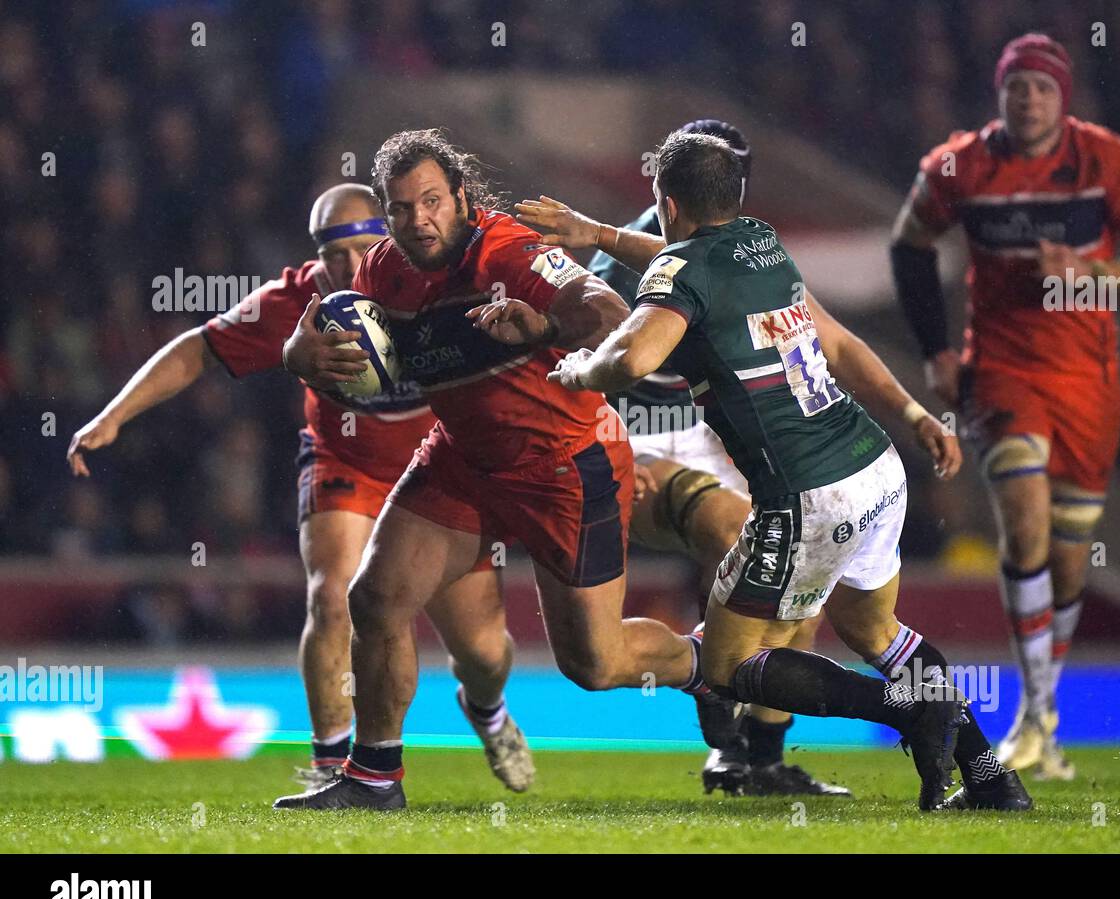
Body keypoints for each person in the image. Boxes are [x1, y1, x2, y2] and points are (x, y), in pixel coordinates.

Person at [549, 130, 1030, 811]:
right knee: (878, 633)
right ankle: (990, 777)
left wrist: (577, 369)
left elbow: (631, 358)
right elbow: (795, 319)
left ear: (666, 199)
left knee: (727, 662)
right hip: (873, 467)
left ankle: (906, 712)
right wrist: (914, 413)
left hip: (807, 492)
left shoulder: (677, 273)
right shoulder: (761, 245)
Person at [273, 130, 713, 811]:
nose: (417, 220)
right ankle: (374, 777)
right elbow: (333, 357)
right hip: (464, 460)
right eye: (399, 209)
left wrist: (543, 329)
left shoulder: (511, 250)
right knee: (373, 597)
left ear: (463, 197)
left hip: (562, 463)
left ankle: (704, 663)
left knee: (594, 665)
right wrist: (299, 357)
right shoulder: (381, 274)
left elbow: (610, 315)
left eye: (431, 202)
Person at [67, 184, 534, 793]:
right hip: (346, 463)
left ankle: (487, 709)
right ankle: (331, 763)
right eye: (327, 250)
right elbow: (197, 350)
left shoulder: (438, 283)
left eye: (358, 246)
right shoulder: (299, 300)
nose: (343, 266)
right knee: (332, 592)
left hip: (438, 475)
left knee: (482, 652)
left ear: (389, 238)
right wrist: (114, 416)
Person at [889, 33, 1120, 779]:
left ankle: (1040, 714)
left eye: (1043, 88)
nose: (1028, 99)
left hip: (1088, 383)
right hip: (1003, 373)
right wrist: (936, 351)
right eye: (1016, 86)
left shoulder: (1107, 161)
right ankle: (1034, 719)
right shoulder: (957, 165)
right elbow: (909, 243)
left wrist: (1088, 274)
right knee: (1023, 514)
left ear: (1065, 97)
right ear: (999, 93)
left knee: (1067, 554)